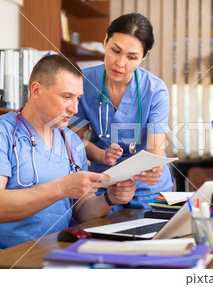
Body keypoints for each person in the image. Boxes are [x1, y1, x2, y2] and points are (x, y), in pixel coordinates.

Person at [0, 55, 136, 268]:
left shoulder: (72, 142)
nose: (75, 109)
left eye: (78, 98)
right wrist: (62, 187)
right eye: (66, 97)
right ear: (36, 90)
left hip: (51, 254)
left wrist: (109, 198)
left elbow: (82, 212)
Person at [70, 13, 174, 211]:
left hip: (148, 189)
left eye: (132, 57)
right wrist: (102, 155)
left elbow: (155, 150)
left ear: (144, 57)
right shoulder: (83, 82)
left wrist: (155, 168)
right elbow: (75, 142)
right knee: (100, 238)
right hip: (103, 185)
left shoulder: (155, 90)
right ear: (105, 41)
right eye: (115, 51)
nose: (120, 63)